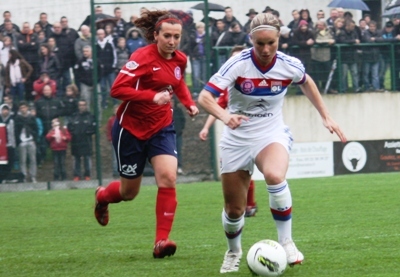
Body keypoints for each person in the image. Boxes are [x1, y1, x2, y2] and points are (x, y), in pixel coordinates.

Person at [197, 13, 347, 273]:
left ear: (280, 39)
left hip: (271, 132)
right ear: (250, 40)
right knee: (235, 210)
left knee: (275, 176)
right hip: (237, 139)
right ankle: (233, 251)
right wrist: (225, 116)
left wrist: (326, 116)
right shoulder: (238, 63)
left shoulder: (290, 64)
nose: (266, 50)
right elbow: (204, 97)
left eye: (271, 43)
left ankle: (286, 241)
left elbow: (307, 82)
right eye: (260, 44)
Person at [93, 10, 199, 259]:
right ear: (156, 35)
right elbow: (117, 89)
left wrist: (188, 102)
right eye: (167, 36)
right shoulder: (141, 57)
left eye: (176, 36)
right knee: (129, 193)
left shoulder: (179, 59)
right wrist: (152, 96)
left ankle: (161, 241)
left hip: (162, 127)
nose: (172, 42)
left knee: (168, 177)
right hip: (130, 129)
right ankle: (102, 196)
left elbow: (178, 82)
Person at [198, 45, 257, 217]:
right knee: (241, 172)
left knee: (257, 172)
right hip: (236, 136)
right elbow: (217, 107)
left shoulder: (256, 79)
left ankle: (250, 205)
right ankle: (246, 206)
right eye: (233, 58)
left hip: (259, 133)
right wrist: (206, 128)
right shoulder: (228, 88)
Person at [67, 99, 96, 181]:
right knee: (76, 159)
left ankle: (87, 175)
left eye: (83, 105)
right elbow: (70, 127)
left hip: (87, 141)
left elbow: (93, 128)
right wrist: (75, 133)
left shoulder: (90, 116)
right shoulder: (74, 116)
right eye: (80, 105)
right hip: (76, 142)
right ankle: (77, 175)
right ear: (78, 106)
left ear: (86, 106)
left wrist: (87, 132)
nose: (82, 107)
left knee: (87, 159)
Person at [14, 101, 38, 183]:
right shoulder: (17, 118)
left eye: (24, 107)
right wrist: (18, 141)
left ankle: (33, 176)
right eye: (21, 108)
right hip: (22, 141)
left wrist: (35, 139)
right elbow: (15, 131)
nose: (22, 109)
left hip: (31, 140)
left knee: (33, 159)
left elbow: (36, 129)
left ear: (27, 107)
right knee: (22, 160)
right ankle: (23, 176)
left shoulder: (31, 117)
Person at [106, 104, 119, 178]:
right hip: (115, 141)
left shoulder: (124, 118)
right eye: (115, 109)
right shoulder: (111, 120)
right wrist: (110, 139)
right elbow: (108, 130)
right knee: (115, 157)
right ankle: (115, 171)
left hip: (124, 141)